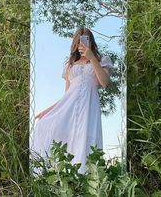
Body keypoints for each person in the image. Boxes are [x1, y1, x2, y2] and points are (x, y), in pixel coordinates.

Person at [30, 26, 114, 174]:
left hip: (89, 109)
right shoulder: (70, 66)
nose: (81, 45)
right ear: (75, 44)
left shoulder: (101, 60)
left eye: (85, 40)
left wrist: (92, 58)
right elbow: (66, 96)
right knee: (51, 130)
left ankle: (85, 181)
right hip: (69, 109)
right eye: (78, 42)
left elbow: (105, 82)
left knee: (86, 144)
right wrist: (47, 111)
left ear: (91, 42)